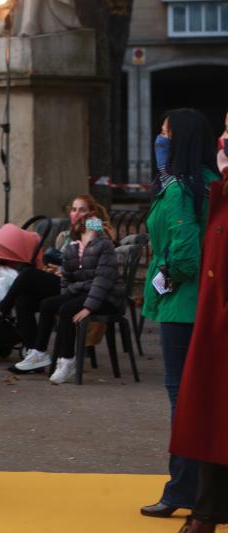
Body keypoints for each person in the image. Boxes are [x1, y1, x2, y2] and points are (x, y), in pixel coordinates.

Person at [139, 109, 221, 519]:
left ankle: (181, 490)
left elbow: (185, 252)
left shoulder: (178, 189)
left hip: (181, 306)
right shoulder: (212, 183)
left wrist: (165, 278)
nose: (160, 138)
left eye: (165, 132)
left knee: (182, 401)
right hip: (206, 303)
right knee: (207, 401)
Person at [168, 143, 228, 532]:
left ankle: (204, 512)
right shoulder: (218, 195)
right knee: (212, 419)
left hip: (218, 325)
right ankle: (206, 511)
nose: (224, 143)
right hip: (214, 328)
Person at [0, 195, 111, 372]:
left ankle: (0, 309)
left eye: (82, 210)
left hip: (82, 289)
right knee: (23, 299)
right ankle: (34, 354)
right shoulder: (72, 233)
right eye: (74, 210)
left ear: (91, 214)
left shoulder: (95, 229)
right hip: (67, 283)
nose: (77, 214)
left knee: (29, 274)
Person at [20, 215, 121, 384]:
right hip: (82, 293)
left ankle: (68, 360)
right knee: (48, 304)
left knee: (67, 310)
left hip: (105, 298)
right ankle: (39, 352)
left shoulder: (105, 247)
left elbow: (103, 281)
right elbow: (67, 278)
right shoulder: (73, 249)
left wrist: (88, 307)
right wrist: (66, 295)